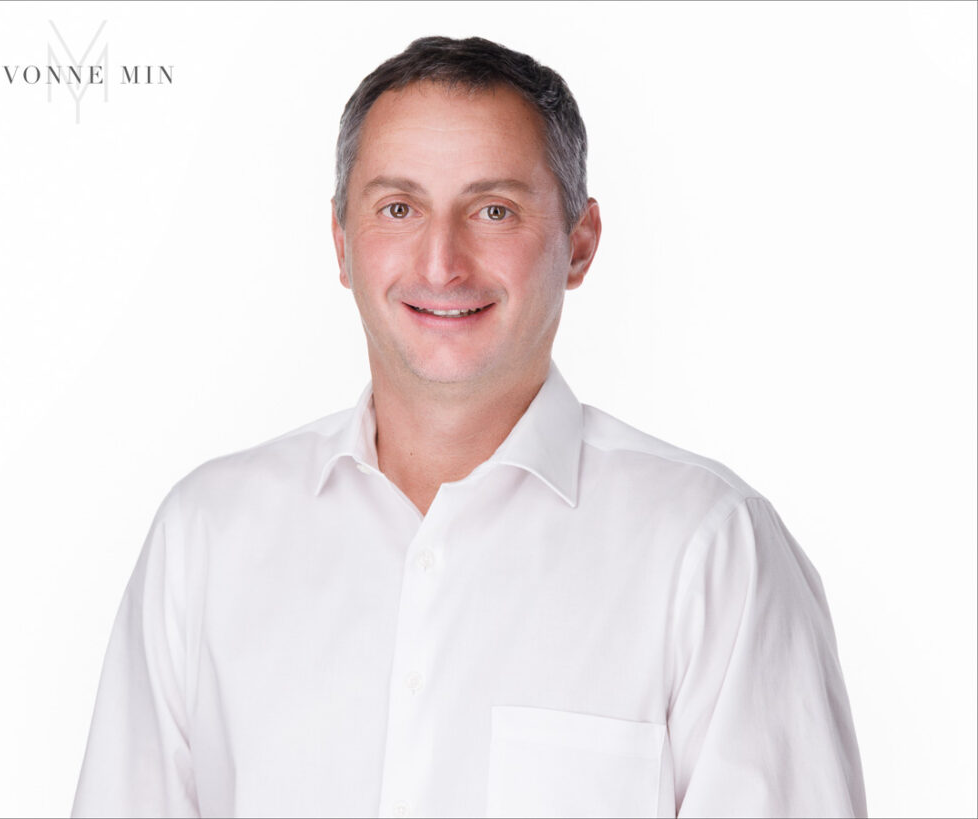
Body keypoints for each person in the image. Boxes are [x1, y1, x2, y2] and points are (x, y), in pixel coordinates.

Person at [71, 36, 867, 818]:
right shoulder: (207, 536)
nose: (442, 262)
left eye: (494, 209)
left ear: (580, 243)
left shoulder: (711, 548)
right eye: (398, 207)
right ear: (342, 243)